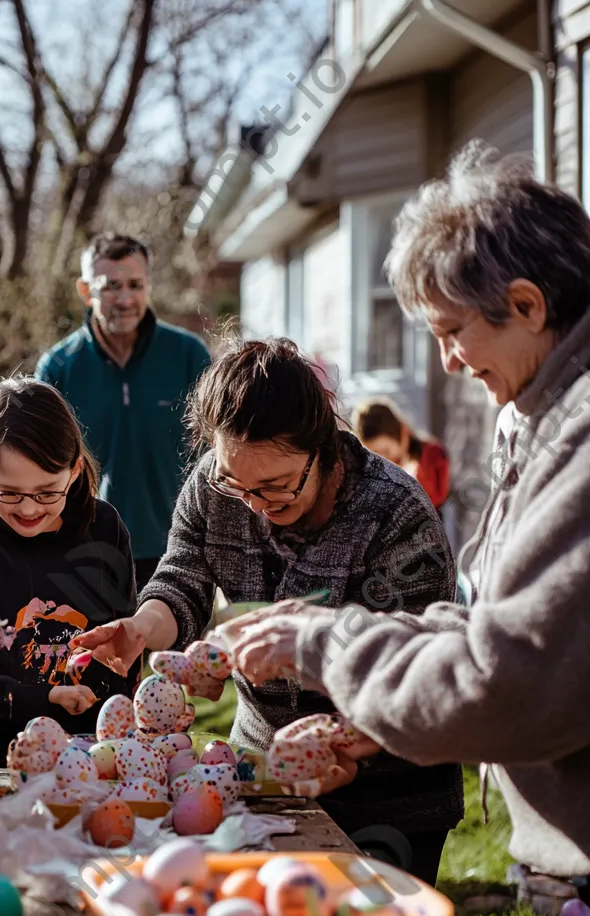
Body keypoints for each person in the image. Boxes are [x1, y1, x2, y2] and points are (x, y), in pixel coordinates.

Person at [218, 142, 590, 916]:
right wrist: (378, 699)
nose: (447, 363)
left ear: (526, 305)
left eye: (453, 333)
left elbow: (517, 675)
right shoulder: (569, 399)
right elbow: (491, 617)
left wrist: (326, 645)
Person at [74, 338, 464, 885]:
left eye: (276, 488)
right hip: (259, 776)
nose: (254, 504)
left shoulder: (396, 515)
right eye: (238, 484)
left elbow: (423, 670)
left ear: (323, 448)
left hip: (390, 797)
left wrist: (347, 742)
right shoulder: (216, 487)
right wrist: (144, 628)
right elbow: (183, 577)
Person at [0, 378, 137, 765]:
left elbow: (124, 645)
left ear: (75, 470)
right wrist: (41, 698)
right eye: (8, 492)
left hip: (94, 755)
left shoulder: (105, 529)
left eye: (46, 493)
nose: (28, 510)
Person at [35, 232, 211, 593]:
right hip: (85, 551)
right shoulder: (58, 368)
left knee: (175, 653)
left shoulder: (189, 356)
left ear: (149, 285)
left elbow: (216, 455)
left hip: (180, 550)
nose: (126, 298)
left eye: (135, 284)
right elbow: (41, 468)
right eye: (111, 286)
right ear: (86, 291)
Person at [352, 397, 450, 510]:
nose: (383, 458)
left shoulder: (432, 456)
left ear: (402, 433)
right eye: (376, 455)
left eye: (385, 451)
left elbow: (435, 498)